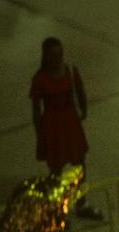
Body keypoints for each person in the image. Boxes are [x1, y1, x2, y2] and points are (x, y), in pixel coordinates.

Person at [30, 37, 103, 219]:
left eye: (60, 54)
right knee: (56, 170)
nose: (57, 58)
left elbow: (80, 91)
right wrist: (40, 135)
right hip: (53, 128)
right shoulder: (39, 79)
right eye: (53, 55)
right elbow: (36, 110)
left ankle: (81, 203)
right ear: (45, 56)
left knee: (80, 166)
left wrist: (84, 110)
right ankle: (57, 208)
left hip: (70, 124)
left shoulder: (70, 71)